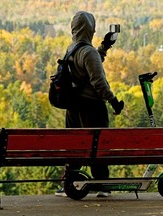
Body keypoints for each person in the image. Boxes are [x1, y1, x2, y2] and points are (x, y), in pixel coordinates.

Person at [55, 11, 124, 198]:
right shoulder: (88, 52)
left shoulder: (72, 49)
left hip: (74, 107)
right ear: (90, 28)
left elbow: (88, 65)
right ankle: (102, 185)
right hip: (92, 108)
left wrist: (104, 47)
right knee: (98, 145)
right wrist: (113, 101)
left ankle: (69, 183)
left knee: (75, 145)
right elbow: (98, 82)